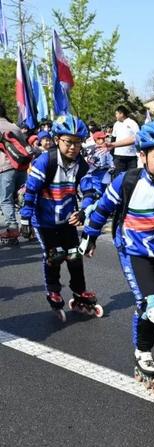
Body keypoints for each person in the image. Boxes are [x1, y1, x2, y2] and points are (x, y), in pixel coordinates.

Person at [79, 121, 154, 395]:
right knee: (153, 307)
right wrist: (89, 235)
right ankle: (142, 351)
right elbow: (103, 209)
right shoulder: (128, 181)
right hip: (135, 252)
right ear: (143, 155)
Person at [19, 114, 101, 321]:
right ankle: (53, 290)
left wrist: (83, 211)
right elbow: (31, 192)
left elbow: (89, 190)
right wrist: (25, 220)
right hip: (44, 221)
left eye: (77, 143)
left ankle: (79, 291)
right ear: (57, 140)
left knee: (74, 255)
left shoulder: (81, 165)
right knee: (55, 256)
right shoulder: (46, 161)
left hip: (66, 219)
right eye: (68, 142)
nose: (73, 147)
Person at [0, 101, 27, 245]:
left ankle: (12, 229)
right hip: (21, 168)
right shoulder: (14, 126)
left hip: (5, 168)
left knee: (6, 199)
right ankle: (28, 225)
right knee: (21, 198)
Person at [108, 105, 140, 174]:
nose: (115, 116)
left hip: (131, 156)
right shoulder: (116, 124)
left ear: (121, 114)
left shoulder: (132, 123)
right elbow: (113, 139)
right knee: (119, 179)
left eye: (116, 114)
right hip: (118, 157)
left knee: (131, 178)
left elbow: (138, 137)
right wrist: (112, 155)